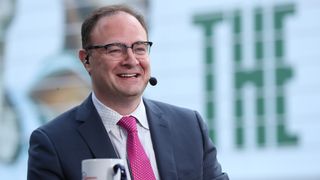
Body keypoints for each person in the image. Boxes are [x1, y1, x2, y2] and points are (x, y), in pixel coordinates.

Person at [27, 4, 229, 180]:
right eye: (115, 49)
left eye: (140, 48)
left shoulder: (189, 127)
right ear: (86, 60)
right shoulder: (53, 143)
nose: (131, 60)